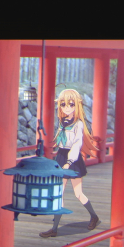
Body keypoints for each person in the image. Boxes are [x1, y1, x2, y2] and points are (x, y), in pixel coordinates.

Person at [40, 89, 101, 238]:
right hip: (61, 156)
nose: (67, 108)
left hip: (72, 159)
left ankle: (94, 216)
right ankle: (54, 228)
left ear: (77, 105)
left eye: (71, 104)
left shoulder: (78, 124)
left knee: (78, 193)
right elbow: (61, 141)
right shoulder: (62, 122)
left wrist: (68, 162)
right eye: (63, 104)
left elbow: (77, 144)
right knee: (59, 192)